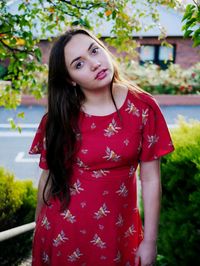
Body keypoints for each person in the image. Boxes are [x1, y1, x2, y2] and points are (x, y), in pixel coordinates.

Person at [29, 28, 174, 266]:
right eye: (79, 64)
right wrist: (38, 230)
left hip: (118, 233)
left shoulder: (143, 108)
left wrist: (150, 241)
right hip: (62, 232)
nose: (95, 64)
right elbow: (49, 176)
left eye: (94, 51)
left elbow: (151, 180)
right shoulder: (60, 117)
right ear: (69, 79)